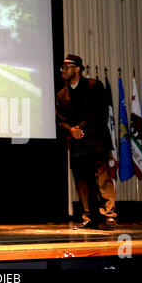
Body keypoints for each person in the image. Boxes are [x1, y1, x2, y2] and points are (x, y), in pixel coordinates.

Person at [55, 54, 117, 229]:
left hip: (96, 140)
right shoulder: (61, 95)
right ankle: (89, 215)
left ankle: (109, 215)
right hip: (77, 144)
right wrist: (71, 130)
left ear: (77, 69)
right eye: (63, 68)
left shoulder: (94, 86)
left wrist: (80, 127)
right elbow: (60, 120)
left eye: (67, 67)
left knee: (102, 178)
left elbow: (100, 112)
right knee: (82, 181)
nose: (63, 71)